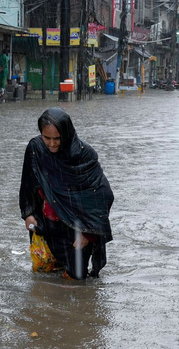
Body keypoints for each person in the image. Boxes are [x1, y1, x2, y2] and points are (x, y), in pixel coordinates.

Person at [19, 108, 114, 279]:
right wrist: (28, 213)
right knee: (44, 273)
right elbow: (28, 183)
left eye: (57, 138)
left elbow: (102, 194)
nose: (52, 143)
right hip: (46, 222)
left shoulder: (84, 155)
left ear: (67, 133)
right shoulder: (36, 148)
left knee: (76, 277)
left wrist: (88, 233)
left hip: (76, 226)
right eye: (46, 137)